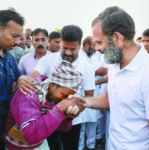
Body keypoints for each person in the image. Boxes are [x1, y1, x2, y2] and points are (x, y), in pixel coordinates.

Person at [69, 6, 149, 150]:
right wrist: (82, 101)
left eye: (99, 43)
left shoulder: (147, 73)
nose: (97, 49)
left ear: (117, 37)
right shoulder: (114, 62)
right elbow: (112, 98)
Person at [18, 25, 95, 150]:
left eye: (73, 49)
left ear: (80, 45)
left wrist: (75, 107)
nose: (68, 52)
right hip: (49, 118)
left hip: (73, 119)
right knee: (53, 146)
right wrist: (22, 80)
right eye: (65, 48)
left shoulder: (86, 67)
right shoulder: (48, 60)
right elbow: (33, 78)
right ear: (60, 43)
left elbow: (89, 96)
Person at [4, 60, 85, 150]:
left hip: (39, 143)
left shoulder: (53, 95)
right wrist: (60, 108)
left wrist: (67, 116)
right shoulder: (29, 94)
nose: (65, 99)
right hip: (17, 146)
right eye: (64, 94)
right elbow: (31, 134)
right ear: (53, 85)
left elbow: (58, 127)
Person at [0, 8, 24, 149]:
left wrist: (21, 80)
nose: (17, 41)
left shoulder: (9, 56)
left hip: (7, 120)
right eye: (14, 36)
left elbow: (19, 76)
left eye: (19, 37)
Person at [78, 36, 102, 150]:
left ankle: (91, 146)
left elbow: (99, 70)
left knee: (93, 122)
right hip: (81, 95)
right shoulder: (78, 57)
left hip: (94, 94)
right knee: (81, 125)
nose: (96, 48)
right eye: (94, 45)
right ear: (87, 45)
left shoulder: (94, 56)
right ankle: (80, 147)